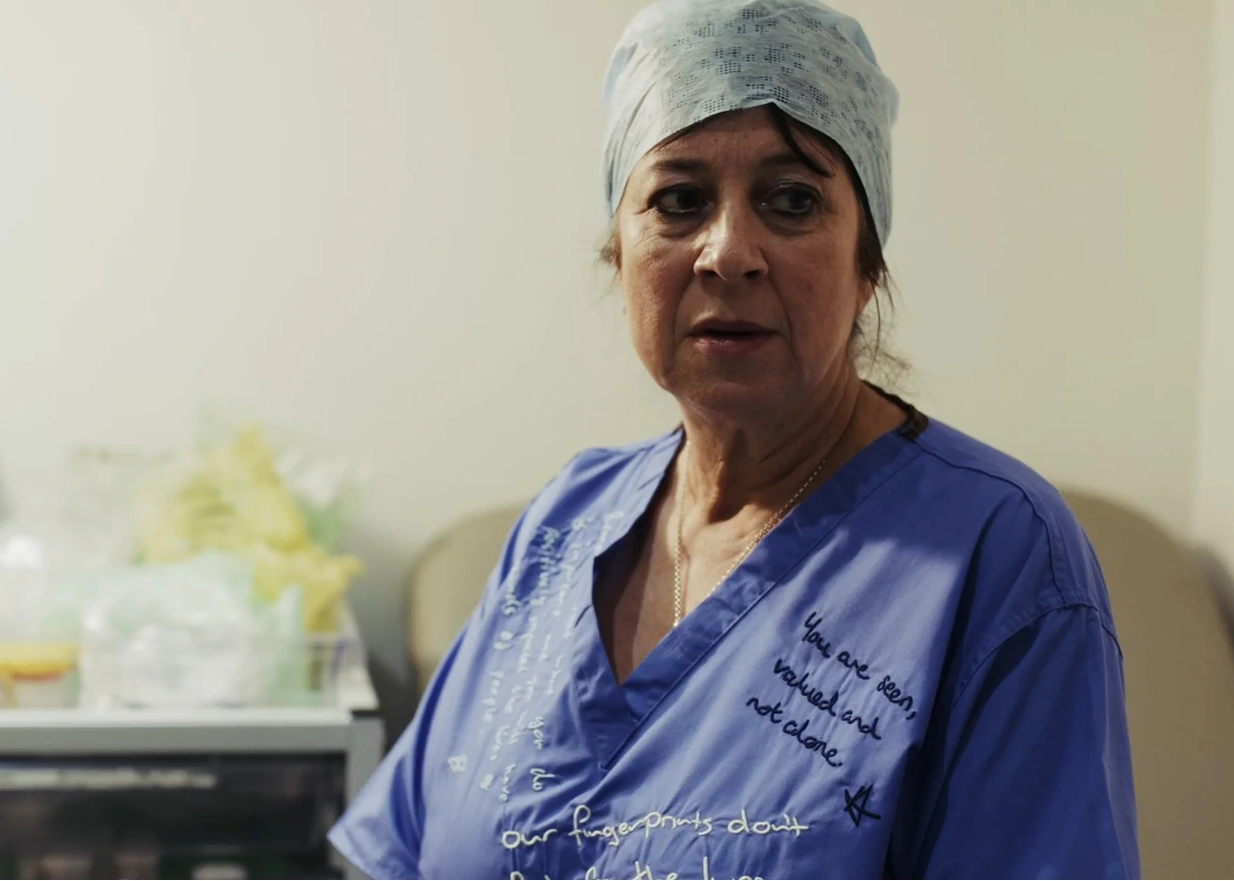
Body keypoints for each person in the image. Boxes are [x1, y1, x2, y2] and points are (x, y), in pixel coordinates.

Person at [330, 0, 1140, 877]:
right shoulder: (565, 522)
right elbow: (401, 848)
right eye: (678, 200)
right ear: (620, 254)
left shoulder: (1002, 558)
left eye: (792, 201)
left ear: (867, 263)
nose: (727, 252)